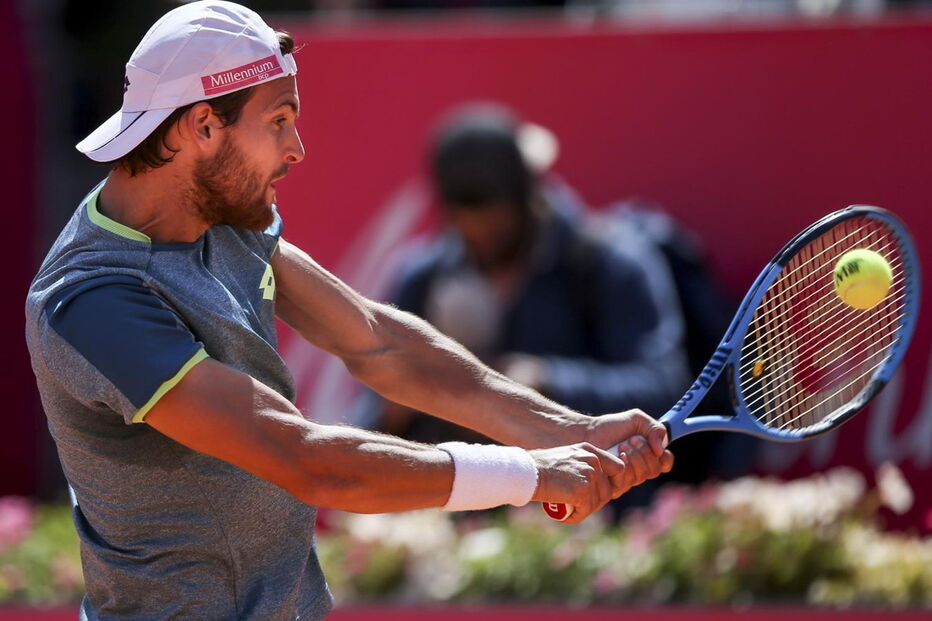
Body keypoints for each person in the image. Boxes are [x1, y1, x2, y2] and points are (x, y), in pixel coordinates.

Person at [24, 3, 672, 619]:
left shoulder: (219, 210)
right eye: (279, 119)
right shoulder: (91, 301)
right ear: (201, 128)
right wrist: (531, 473)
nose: (296, 147)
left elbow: (379, 344)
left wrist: (567, 429)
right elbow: (309, 461)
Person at [372, 104, 692, 452]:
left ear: (527, 195)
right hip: (464, 499)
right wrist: (397, 403)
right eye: (467, 227)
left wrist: (545, 380)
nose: (481, 239)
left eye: (496, 227)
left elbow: (665, 389)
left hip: (598, 499)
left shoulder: (610, 262)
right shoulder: (424, 276)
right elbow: (368, 416)